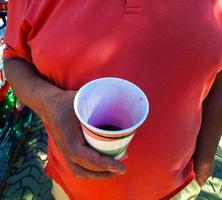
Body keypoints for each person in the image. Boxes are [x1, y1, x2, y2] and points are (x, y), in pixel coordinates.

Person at [3, 0, 222, 199]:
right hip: (71, 190)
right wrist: (51, 104)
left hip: (176, 190)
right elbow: (15, 58)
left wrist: (204, 164)